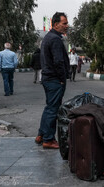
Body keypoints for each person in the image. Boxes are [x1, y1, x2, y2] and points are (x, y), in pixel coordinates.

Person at [35, 12, 70, 149]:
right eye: (64, 23)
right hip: (54, 80)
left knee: (49, 107)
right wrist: (62, 79)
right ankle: (48, 139)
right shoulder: (55, 39)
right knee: (53, 110)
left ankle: (41, 135)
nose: (67, 26)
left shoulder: (48, 37)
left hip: (48, 78)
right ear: (56, 24)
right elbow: (58, 62)